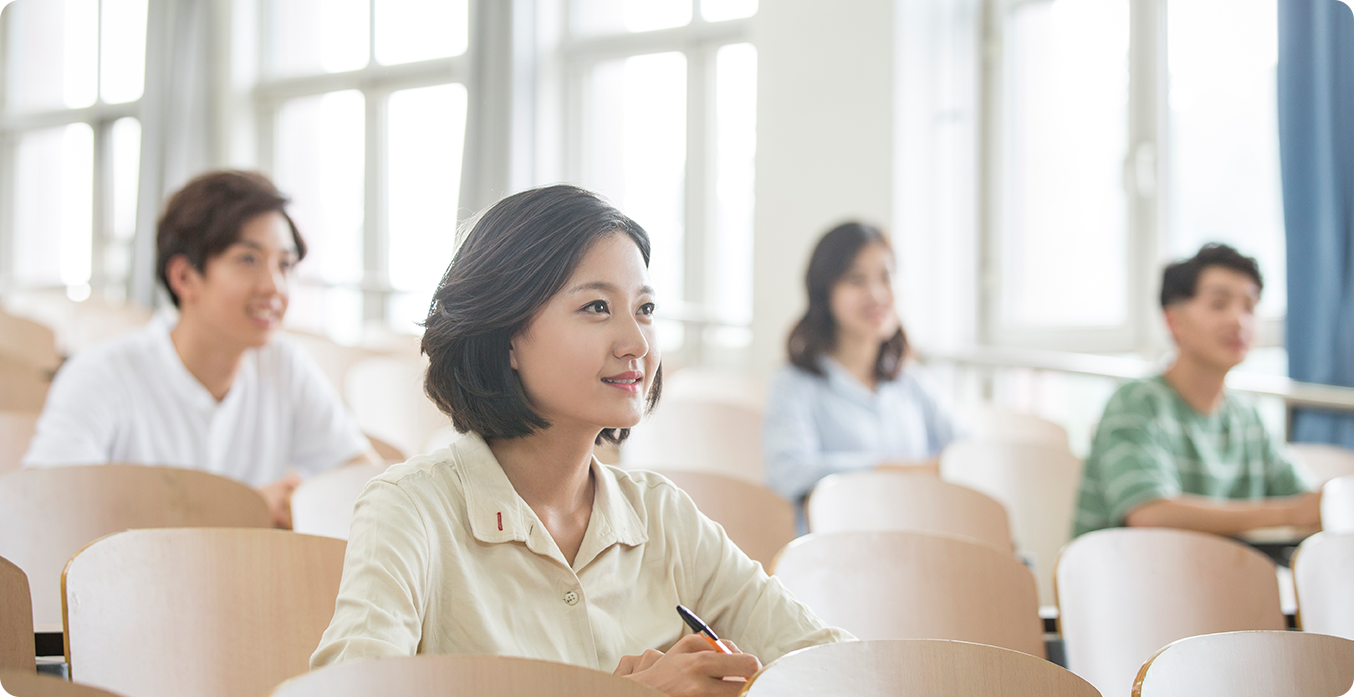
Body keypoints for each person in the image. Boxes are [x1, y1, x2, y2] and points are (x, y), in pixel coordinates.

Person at [310, 185, 851, 696]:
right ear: (506, 338)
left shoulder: (663, 517)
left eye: (644, 309)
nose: (636, 342)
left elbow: (835, 665)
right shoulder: (410, 509)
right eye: (596, 307)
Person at [22, 170, 375, 528]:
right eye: (248, 260)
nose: (275, 287)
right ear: (184, 277)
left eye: (284, 264)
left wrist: (309, 502)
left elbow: (365, 483)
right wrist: (242, 509)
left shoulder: (283, 364)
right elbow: (46, 514)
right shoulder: (100, 374)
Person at [1073, 243, 1320, 537]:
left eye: (1250, 307)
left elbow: (1305, 501)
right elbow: (1149, 513)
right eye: (1219, 304)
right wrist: (1287, 514)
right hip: (1127, 577)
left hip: (1215, 577)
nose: (1238, 320)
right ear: (1172, 320)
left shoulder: (1247, 416)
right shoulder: (1136, 402)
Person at [763, 222, 960, 524]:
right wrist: (904, 473)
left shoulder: (910, 380)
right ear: (824, 293)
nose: (877, 294)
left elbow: (969, 455)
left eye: (887, 277)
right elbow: (789, 474)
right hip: (834, 552)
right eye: (856, 280)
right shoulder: (794, 382)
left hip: (916, 541)